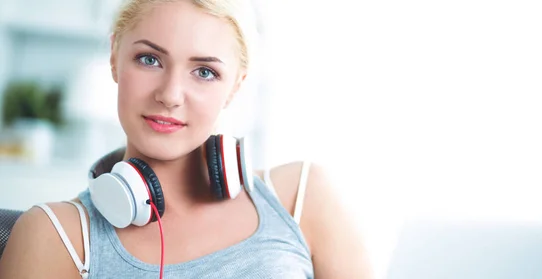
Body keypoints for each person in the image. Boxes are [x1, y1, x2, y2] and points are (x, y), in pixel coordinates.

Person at [0, 0, 373, 278]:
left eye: (205, 72)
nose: (171, 94)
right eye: (150, 59)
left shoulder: (304, 197)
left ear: (235, 87)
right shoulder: (55, 234)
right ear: (114, 57)